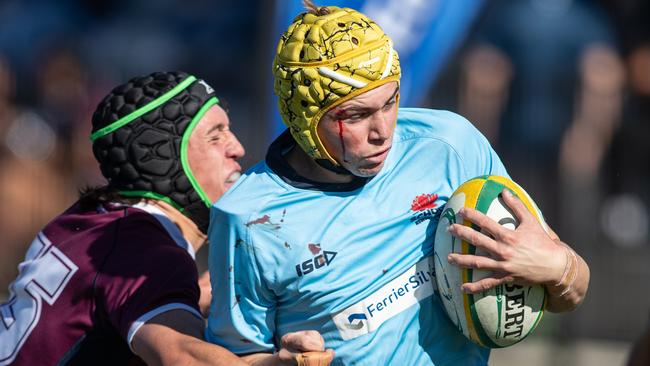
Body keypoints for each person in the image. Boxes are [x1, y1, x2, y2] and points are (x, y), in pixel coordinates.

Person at [205, 3, 590, 365]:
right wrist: (277, 363)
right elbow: (234, 355)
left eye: (390, 103)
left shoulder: (449, 146)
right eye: (355, 116)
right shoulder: (249, 218)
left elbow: (572, 288)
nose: (382, 131)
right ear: (303, 119)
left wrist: (559, 270)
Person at [0, 71, 332, 366]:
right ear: (164, 162)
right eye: (215, 136)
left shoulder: (92, 220)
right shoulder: (147, 250)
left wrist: (196, 295)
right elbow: (179, 355)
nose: (238, 148)